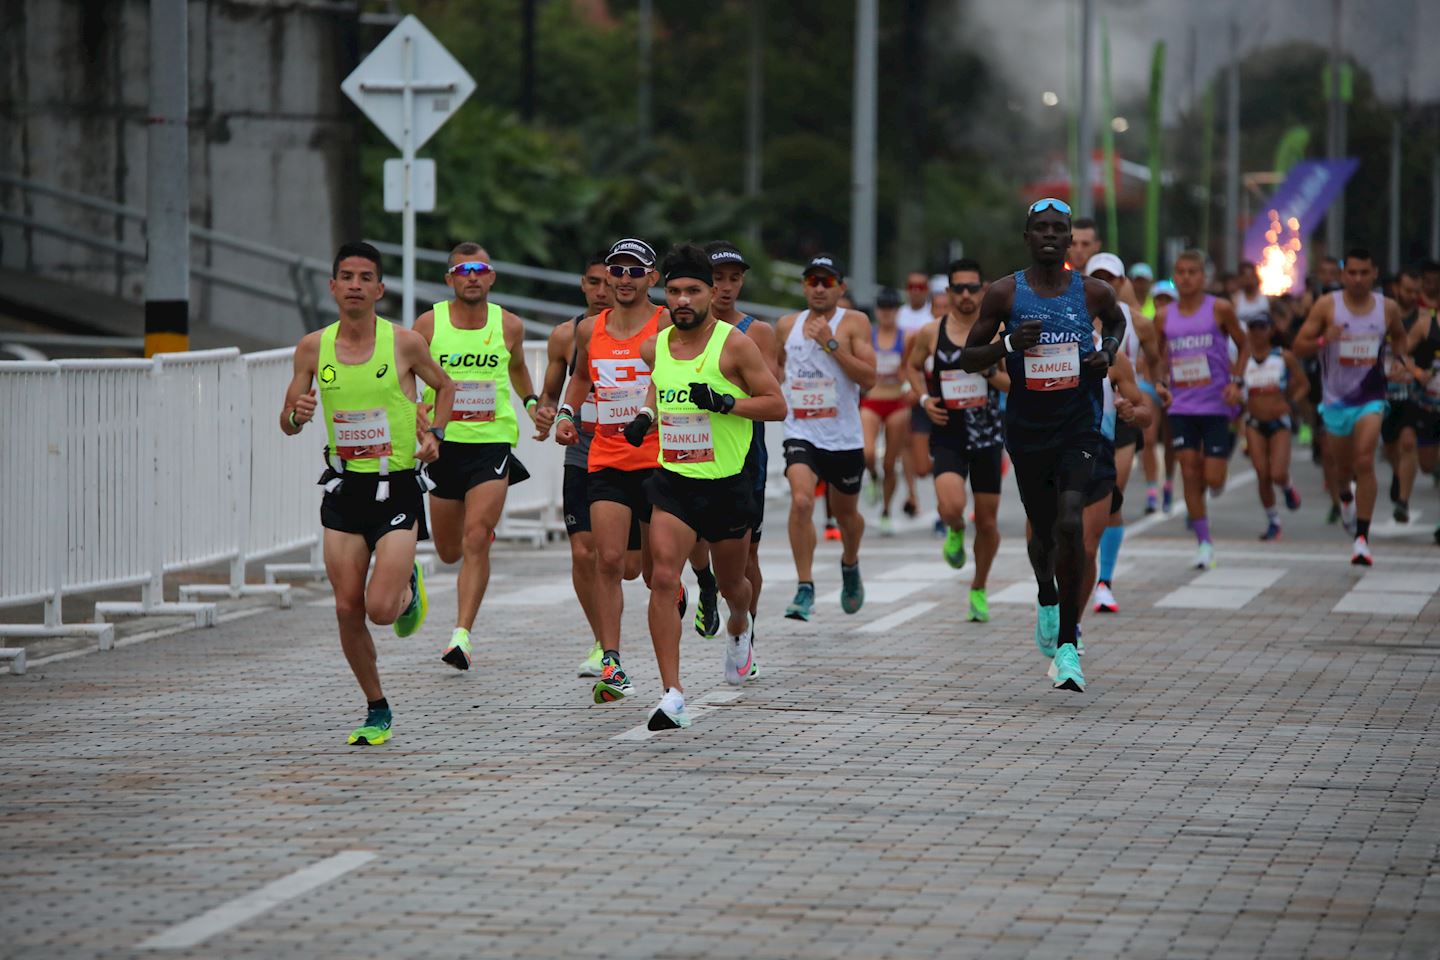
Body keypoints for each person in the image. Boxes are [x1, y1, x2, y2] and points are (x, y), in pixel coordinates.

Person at [279, 241, 455, 745]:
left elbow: (445, 388)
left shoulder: (403, 344)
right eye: (346, 277)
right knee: (345, 607)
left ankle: (406, 588)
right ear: (333, 287)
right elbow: (288, 420)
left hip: (395, 484)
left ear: (379, 289)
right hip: (343, 487)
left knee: (380, 609)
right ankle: (377, 708)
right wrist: (298, 415)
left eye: (365, 277)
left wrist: (434, 436)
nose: (355, 285)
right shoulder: (312, 347)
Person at [961, 198, 1128, 693]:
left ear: (1070, 234)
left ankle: (1070, 645)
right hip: (1028, 430)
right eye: (1041, 228)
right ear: (1028, 236)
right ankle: (1047, 593)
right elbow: (968, 357)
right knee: (1043, 536)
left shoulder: (1093, 292)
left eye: (1060, 228)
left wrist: (1108, 353)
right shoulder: (1004, 293)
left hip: (1079, 425)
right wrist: (1009, 346)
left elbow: (1116, 325)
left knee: (1072, 519)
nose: (1051, 235)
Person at [621, 244, 787, 729]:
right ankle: (672, 693)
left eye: (693, 290)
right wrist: (645, 416)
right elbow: (659, 384)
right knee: (665, 579)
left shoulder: (734, 345)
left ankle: (741, 627)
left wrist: (725, 403)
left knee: (735, 584)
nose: (683, 299)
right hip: (673, 481)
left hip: (728, 484)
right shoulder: (655, 345)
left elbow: (776, 405)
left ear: (712, 293)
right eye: (674, 291)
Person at [555, 238, 676, 703]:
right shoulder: (590, 329)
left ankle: (676, 587)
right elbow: (581, 378)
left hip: (657, 460)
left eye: (634, 271)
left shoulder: (666, 323)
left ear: (652, 278)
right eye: (617, 271)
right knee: (606, 561)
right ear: (606, 276)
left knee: (647, 573)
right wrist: (567, 414)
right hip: (604, 456)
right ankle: (613, 662)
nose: (624, 279)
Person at [414, 243, 540, 671]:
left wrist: (532, 402)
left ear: (491, 277)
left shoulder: (509, 325)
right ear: (449, 279)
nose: (471, 276)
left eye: (479, 269)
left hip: (492, 441)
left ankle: (461, 636)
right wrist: (415, 410)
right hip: (443, 444)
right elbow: (406, 374)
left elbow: (519, 368)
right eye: (462, 270)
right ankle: (420, 579)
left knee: (476, 537)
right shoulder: (429, 324)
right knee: (449, 550)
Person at [1293, 247, 1419, 564]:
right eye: (1352, 273)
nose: (1358, 279)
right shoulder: (1327, 306)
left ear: (1374, 273)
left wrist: (1401, 361)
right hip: (1335, 400)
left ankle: (1362, 539)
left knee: (1364, 460)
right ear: (1343, 275)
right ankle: (1345, 499)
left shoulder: (1386, 308)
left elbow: (1400, 338)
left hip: (1371, 396)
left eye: (1365, 273)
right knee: (1341, 468)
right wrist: (1324, 339)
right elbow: (1298, 346)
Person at [685, 240, 777, 667]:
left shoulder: (756, 333)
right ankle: (704, 583)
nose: (725, 288)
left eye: (733, 279)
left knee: (746, 555)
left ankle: (746, 634)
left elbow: (770, 396)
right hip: (687, 450)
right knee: (693, 538)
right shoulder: (678, 330)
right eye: (717, 279)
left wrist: (723, 398)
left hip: (743, 457)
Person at [905, 258, 1007, 623]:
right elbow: (913, 367)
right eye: (958, 288)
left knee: (990, 523)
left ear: (983, 290)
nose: (965, 295)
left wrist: (990, 370)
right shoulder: (933, 332)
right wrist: (922, 399)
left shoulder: (995, 333)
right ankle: (955, 529)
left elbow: (1015, 385)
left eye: (972, 288)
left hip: (987, 436)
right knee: (950, 506)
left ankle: (978, 587)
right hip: (947, 431)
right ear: (947, 293)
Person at [777, 254, 878, 621]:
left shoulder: (854, 323)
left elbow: (869, 379)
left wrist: (831, 344)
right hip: (800, 430)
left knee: (847, 515)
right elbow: (774, 372)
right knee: (801, 501)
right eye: (813, 281)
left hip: (844, 437)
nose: (819, 288)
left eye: (827, 282)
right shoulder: (787, 324)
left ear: (840, 287)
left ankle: (850, 563)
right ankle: (805, 587)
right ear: (804, 286)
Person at [538, 251, 614, 677]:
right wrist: (548, 411)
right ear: (582, 285)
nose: (602, 291)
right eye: (594, 282)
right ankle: (605, 644)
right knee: (584, 553)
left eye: (610, 281)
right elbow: (552, 392)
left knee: (628, 563)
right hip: (583, 452)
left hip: (634, 454)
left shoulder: (646, 330)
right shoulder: (566, 336)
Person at [1154, 250, 1247, 569]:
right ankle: (1204, 543)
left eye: (1193, 271)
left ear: (1203, 276)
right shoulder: (1164, 315)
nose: (1186, 277)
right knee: (1189, 471)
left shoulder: (1219, 309)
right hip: (1181, 405)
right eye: (1180, 272)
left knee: (1214, 478)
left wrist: (1237, 381)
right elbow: (1156, 355)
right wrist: (1160, 383)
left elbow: (1244, 343)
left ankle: (1219, 467)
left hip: (1216, 404)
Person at [1083, 253, 1164, 613]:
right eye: (1095, 277)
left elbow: (1154, 358)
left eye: (1109, 278)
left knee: (1111, 496)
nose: (1103, 284)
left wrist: (1154, 386)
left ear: (1120, 283)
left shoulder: (1138, 323)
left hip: (1120, 421)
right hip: (1079, 428)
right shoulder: (1073, 324)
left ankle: (1104, 581)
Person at [1075, 336, 1153, 646]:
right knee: (1060, 543)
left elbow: (1145, 412)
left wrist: (1132, 412)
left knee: (1087, 547)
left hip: (1099, 453)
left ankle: (1073, 625)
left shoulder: (1112, 355)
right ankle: (1050, 603)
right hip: (1056, 456)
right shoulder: (1043, 345)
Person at [1241, 316, 1308, 540]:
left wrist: (1292, 404)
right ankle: (1273, 521)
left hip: (1279, 421)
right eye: (1253, 327)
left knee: (1277, 473)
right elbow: (1234, 386)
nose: (1257, 332)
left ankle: (1287, 486)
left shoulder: (1282, 356)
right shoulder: (1243, 359)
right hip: (1254, 422)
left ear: (1270, 331)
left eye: (1262, 327)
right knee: (1262, 474)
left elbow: (1303, 383)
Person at [861, 286, 913, 534]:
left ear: (897, 310)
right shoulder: (868, 336)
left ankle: (885, 510)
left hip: (897, 403)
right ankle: (872, 476)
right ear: (877, 311)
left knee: (891, 463)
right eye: (883, 308)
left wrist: (908, 385)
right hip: (872, 400)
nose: (887, 313)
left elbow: (911, 367)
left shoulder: (906, 337)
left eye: (891, 308)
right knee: (868, 452)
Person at [1381, 266, 1428, 523]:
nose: (1411, 295)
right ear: (1396, 288)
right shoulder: (1382, 314)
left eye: (1416, 291)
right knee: (1390, 447)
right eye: (1407, 290)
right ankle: (1398, 474)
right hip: (1384, 391)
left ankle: (1403, 502)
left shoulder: (1423, 319)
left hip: (1412, 392)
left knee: (1408, 441)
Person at [1148, 279, 1179, 513]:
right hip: (1149, 386)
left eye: (1168, 299)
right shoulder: (1146, 324)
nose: (1163, 303)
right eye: (1159, 299)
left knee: (1170, 441)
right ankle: (1151, 491)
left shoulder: (1182, 327)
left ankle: (1168, 483)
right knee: (1148, 439)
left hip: (1176, 387)